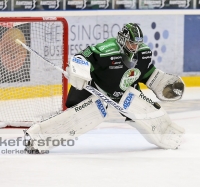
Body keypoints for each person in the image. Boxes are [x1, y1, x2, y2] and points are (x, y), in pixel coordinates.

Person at [24, 23, 185, 154]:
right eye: (131, 42)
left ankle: (166, 133)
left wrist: (161, 82)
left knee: (145, 110)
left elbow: (148, 74)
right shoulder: (106, 50)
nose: (134, 47)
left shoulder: (143, 53)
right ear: (122, 39)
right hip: (94, 87)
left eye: (137, 43)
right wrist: (79, 71)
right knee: (82, 117)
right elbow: (82, 56)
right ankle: (36, 138)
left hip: (125, 91)